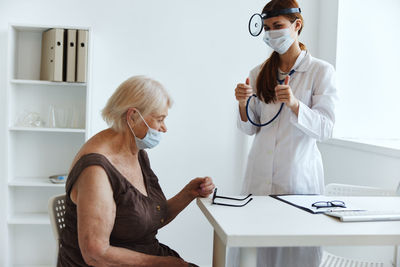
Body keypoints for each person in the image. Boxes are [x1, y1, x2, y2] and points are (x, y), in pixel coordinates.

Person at [58, 76, 215, 267]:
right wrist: (161, 263)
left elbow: (145, 220)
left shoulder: (135, 151)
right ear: (132, 116)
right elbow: (96, 254)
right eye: (160, 119)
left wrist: (189, 193)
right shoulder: (95, 171)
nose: (164, 128)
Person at [233, 0, 337, 266]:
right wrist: (243, 104)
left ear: (297, 25)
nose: (271, 33)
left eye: (277, 26)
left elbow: (325, 128)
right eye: (267, 28)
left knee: (296, 255)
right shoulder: (258, 73)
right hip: (259, 178)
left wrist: (294, 104)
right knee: (259, 255)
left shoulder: (320, 71)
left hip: (298, 180)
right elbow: (251, 128)